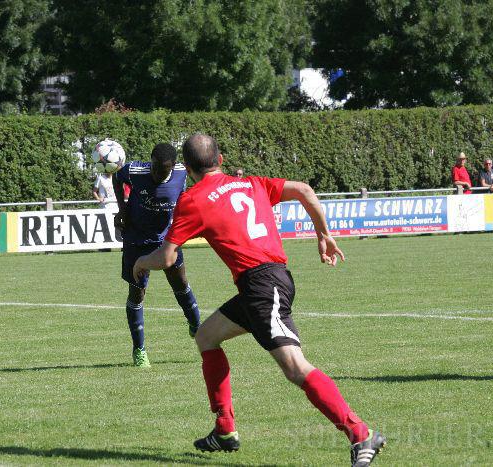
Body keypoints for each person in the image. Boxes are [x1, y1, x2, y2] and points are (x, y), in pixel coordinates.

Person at [133, 134, 385, 466]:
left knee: (295, 367)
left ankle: (360, 434)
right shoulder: (251, 183)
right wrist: (323, 234)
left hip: (263, 286)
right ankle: (224, 430)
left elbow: (166, 258)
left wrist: (140, 263)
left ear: (189, 169)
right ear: (220, 160)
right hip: (261, 284)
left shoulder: (193, 199)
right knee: (207, 336)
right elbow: (305, 190)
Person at [112, 143, 201, 368]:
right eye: (155, 167)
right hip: (137, 240)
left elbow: (184, 196)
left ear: (173, 166)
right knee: (137, 293)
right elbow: (116, 178)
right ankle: (139, 350)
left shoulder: (181, 172)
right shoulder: (135, 171)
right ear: (150, 160)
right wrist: (122, 209)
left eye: (164, 170)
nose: (158, 173)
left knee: (180, 284)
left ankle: (196, 325)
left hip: (166, 241)